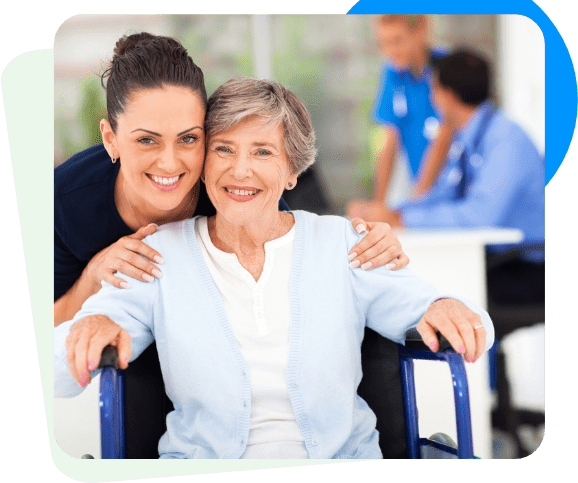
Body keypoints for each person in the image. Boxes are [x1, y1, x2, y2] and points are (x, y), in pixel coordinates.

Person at [55, 76, 494, 460]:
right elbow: (59, 376)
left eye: (263, 152)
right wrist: (87, 326)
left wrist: (446, 305)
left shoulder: (344, 244)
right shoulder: (160, 254)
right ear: (204, 165)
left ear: (291, 172)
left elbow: (467, 325)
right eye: (224, 149)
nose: (240, 170)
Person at [54, 32, 410, 329]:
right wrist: (94, 274)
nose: (169, 162)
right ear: (110, 138)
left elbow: (298, 263)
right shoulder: (63, 203)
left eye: (189, 138)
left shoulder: (230, 190)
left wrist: (362, 251)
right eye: (146, 139)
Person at [345, 50, 545, 303]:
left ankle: (471, 342)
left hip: (530, 264)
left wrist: (402, 219)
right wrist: (388, 212)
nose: (432, 98)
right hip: (501, 258)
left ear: (447, 95)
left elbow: (479, 216)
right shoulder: (469, 136)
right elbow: (443, 194)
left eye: (433, 90)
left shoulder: (506, 141)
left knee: (433, 291)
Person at [347, 14, 452, 217]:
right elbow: (390, 142)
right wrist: (379, 206)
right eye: (383, 43)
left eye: (397, 41)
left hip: (447, 191)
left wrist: (417, 200)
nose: (390, 51)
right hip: (418, 189)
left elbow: (443, 137)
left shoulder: (446, 67)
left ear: (421, 32)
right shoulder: (392, 73)